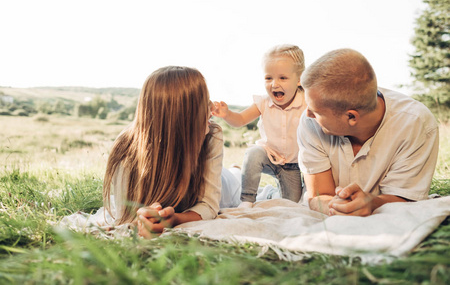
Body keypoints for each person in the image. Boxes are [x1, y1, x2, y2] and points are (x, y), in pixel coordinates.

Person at [297, 48, 439, 216]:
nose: (308, 114)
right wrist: (335, 206)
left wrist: (372, 203)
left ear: (351, 116)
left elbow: (406, 198)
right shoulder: (310, 123)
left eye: (316, 111)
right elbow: (318, 196)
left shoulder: (417, 124)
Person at [102, 66, 239, 238]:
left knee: (235, 177)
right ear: (184, 115)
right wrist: (147, 218)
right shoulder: (125, 148)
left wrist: (174, 219)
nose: (212, 106)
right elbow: (126, 215)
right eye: (204, 101)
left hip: (226, 186)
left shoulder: (212, 135)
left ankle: (236, 170)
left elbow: (209, 206)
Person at [212, 44, 307, 207]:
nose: (274, 84)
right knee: (253, 153)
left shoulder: (306, 102)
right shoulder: (263, 102)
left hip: (293, 165)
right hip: (268, 155)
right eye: (268, 78)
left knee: (291, 202)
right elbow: (241, 119)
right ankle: (247, 200)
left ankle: (269, 193)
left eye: (282, 78)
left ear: (299, 80)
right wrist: (227, 114)